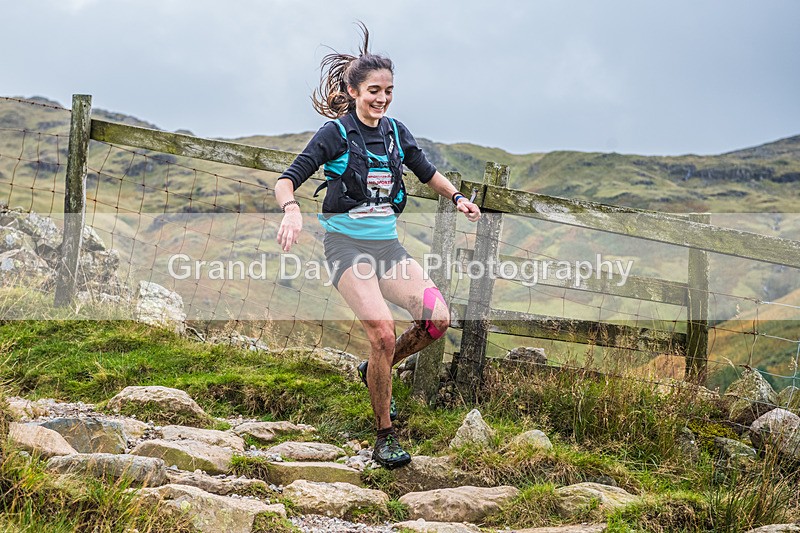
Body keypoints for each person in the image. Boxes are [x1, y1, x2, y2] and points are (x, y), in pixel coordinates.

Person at [274, 23, 480, 469]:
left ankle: (375, 369)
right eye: (373, 90)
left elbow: (426, 171)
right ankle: (384, 435)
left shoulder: (395, 132)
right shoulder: (335, 134)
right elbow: (287, 179)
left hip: (387, 250)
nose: (382, 98)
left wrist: (458, 197)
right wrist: (291, 209)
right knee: (382, 332)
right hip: (346, 250)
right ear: (352, 91)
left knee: (437, 319)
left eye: (388, 90)